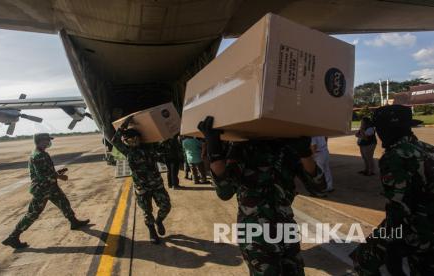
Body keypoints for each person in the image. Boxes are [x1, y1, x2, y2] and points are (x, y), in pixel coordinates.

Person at [198, 116, 327, 276]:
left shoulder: (289, 147)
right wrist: (215, 151)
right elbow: (225, 192)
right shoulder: (241, 147)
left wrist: (305, 153)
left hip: (287, 230)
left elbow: (320, 188)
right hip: (256, 235)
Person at [350, 105, 433, 275]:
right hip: (428, 223)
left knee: (363, 260)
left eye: (380, 129)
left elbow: (398, 208)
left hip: (418, 228)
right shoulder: (427, 148)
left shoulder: (395, 155)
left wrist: (392, 246)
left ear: (387, 130)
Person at [2, 133, 90, 249]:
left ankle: (74, 222)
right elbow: (42, 175)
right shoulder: (38, 156)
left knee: (64, 202)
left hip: (50, 187)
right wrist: (59, 177)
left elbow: (46, 171)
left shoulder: (41, 154)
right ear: (40, 141)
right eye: (47, 140)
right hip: (42, 189)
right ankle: (13, 237)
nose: (49, 142)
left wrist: (57, 173)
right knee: (33, 213)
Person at [112, 116, 171, 244]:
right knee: (147, 211)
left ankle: (159, 221)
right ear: (126, 141)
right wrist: (123, 125)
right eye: (130, 139)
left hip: (156, 184)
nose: (133, 141)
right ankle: (152, 232)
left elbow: (162, 143)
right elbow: (114, 140)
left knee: (166, 206)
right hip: (142, 188)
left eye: (135, 138)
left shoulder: (149, 148)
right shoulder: (127, 151)